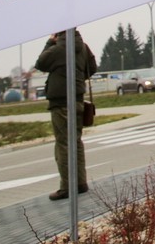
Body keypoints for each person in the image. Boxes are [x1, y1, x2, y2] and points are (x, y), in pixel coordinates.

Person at [34, 29, 97, 200]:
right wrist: (77, 79)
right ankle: (80, 182)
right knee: (75, 142)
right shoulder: (83, 47)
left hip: (61, 102)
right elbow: (92, 67)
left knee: (63, 144)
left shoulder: (58, 49)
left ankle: (67, 186)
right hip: (77, 100)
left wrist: (50, 42)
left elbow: (40, 63)